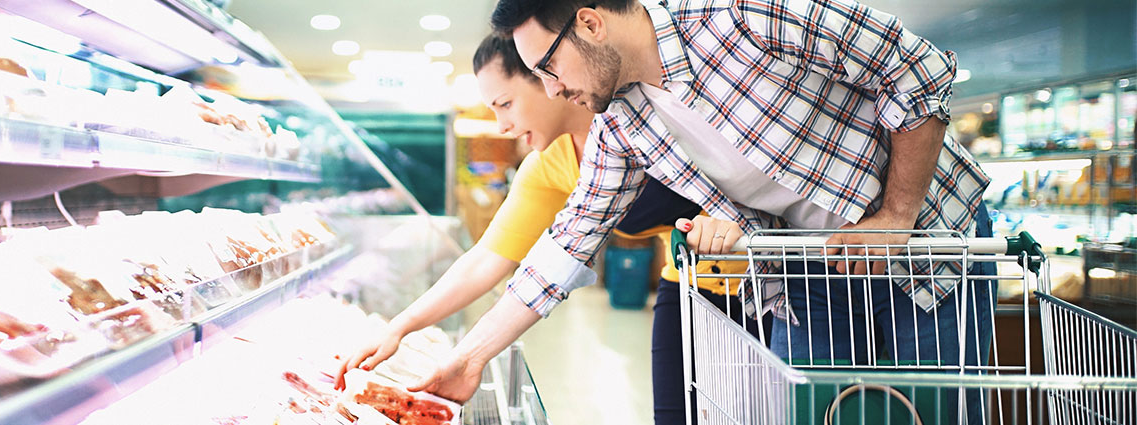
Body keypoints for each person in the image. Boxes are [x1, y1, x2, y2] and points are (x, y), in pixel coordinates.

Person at [411, 0, 992, 422]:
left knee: (932, 412)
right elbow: (566, 246)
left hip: (932, 250)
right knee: (818, 413)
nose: (553, 89)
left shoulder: (739, 16)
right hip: (807, 269)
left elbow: (914, 67)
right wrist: (468, 360)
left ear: (589, 22)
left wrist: (896, 215)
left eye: (549, 68)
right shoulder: (622, 123)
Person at [334, 36, 752, 410]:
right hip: (691, 284)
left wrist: (731, 215)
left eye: (506, 103)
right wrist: (401, 327)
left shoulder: (649, 114)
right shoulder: (550, 164)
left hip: (781, 268)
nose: (503, 125)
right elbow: (489, 259)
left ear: (547, 75)